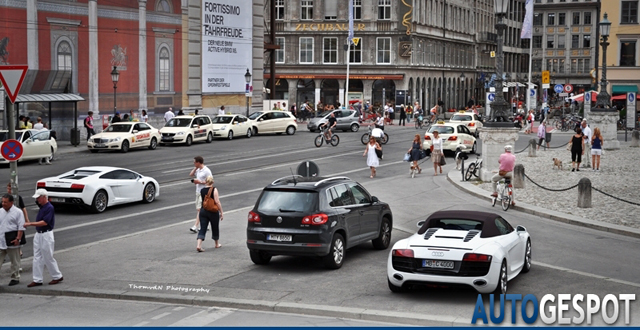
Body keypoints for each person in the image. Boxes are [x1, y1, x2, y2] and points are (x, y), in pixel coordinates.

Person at [24, 189, 63, 287]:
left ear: (44, 197)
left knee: (47, 256)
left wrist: (30, 223)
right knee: (37, 257)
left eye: (38, 198)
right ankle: (37, 279)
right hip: (39, 233)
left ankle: (57, 275)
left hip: (46, 234)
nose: (37, 199)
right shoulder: (43, 206)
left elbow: (45, 222)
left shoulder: (49, 207)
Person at [0, 194, 26, 286]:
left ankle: (15, 277)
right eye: (2, 202)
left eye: (5, 202)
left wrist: (18, 239)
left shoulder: (18, 212)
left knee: (14, 261)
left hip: (12, 240)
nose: (3, 204)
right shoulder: (0, 211)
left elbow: (21, 226)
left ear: (11, 202)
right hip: (1, 240)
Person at [196, 176, 223, 252]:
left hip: (203, 211)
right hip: (213, 211)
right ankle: (216, 244)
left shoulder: (202, 190)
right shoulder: (214, 189)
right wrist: (221, 212)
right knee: (215, 227)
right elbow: (217, 201)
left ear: (206, 181)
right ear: (213, 182)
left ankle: (199, 245)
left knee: (203, 228)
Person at [189, 156, 212, 233]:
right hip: (198, 191)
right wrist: (195, 168)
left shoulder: (206, 171)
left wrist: (200, 182)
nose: (194, 163)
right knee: (201, 209)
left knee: (200, 209)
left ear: (198, 162)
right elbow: (191, 174)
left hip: (204, 191)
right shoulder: (198, 169)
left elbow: (210, 181)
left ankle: (195, 226)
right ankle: (206, 224)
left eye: (195, 162)